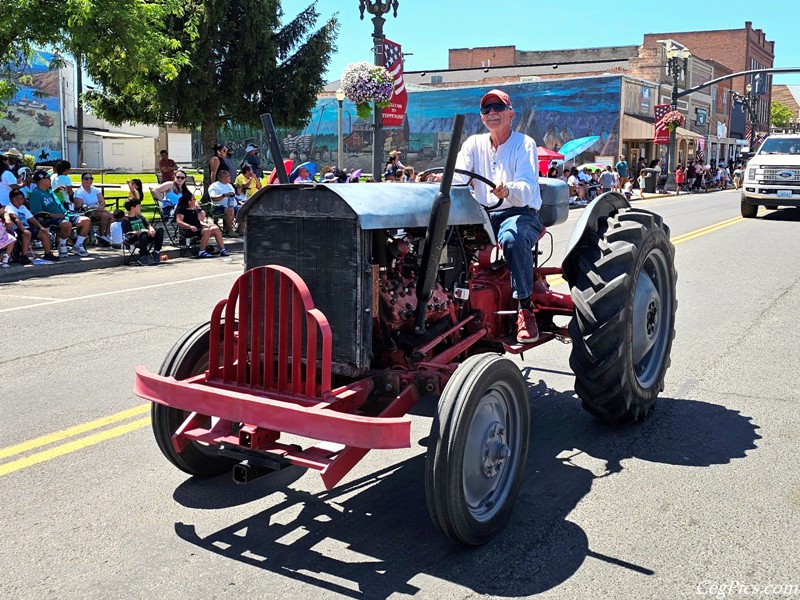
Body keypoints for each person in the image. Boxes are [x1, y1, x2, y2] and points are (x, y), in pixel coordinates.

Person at [455, 88, 542, 344]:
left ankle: (525, 308)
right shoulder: (473, 143)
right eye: (486, 109)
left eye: (498, 108)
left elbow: (526, 188)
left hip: (519, 211)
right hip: (482, 214)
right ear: (482, 117)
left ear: (510, 114)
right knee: (443, 237)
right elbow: (459, 177)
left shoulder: (524, 143)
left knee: (513, 238)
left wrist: (508, 190)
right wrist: (441, 179)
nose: (492, 113)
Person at [28, 170, 91, 257]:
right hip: (51, 218)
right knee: (67, 224)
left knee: (86, 220)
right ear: (41, 181)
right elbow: (37, 213)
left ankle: (78, 245)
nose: (50, 180)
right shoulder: (36, 194)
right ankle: (62, 245)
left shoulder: (49, 191)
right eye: (48, 178)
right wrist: (54, 215)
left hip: (64, 215)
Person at [5, 189, 58, 263]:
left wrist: (41, 227)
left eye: (21, 199)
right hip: (16, 230)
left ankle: (48, 254)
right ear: (11, 199)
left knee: (43, 232)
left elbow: (31, 218)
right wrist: (24, 230)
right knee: (27, 234)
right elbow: (15, 219)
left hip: (27, 228)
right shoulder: (9, 207)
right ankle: (24, 256)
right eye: (16, 199)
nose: (19, 201)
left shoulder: (23, 207)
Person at [174, 194, 230, 258]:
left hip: (198, 228)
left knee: (215, 228)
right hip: (188, 229)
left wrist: (206, 224)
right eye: (193, 200)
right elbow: (179, 221)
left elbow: (197, 221)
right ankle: (201, 251)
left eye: (195, 199)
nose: (195, 201)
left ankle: (223, 249)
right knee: (206, 231)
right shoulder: (181, 210)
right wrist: (190, 226)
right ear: (188, 201)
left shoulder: (193, 209)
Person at [121, 198, 164, 266]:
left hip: (146, 236)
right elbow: (128, 233)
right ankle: (143, 256)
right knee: (143, 233)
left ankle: (156, 252)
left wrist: (151, 229)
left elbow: (148, 225)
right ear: (132, 208)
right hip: (134, 238)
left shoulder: (139, 216)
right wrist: (142, 231)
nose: (140, 207)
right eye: (139, 206)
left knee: (160, 230)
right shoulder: (125, 220)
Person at [74, 172, 112, 245]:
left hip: (98, 210)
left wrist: (100, 207)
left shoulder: (95, 189)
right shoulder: (79, 192)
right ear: (82, 180)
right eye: (86, 179)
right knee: (104, 215)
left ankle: (106, 234)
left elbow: (102, 201)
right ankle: (101, 236)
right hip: (87, 212)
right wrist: (91, 208)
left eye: (91, 178)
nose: (89, 180)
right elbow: (79, 206)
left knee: (113, 216)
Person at [207, 170, 239, 236]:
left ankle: (240, 230)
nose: (230, 177)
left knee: (244, 209)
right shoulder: (215, 186)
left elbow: (234, 196)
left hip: (233, 206)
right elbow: (213, 197)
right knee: (230, 209)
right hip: (219, 207)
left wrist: (240, 202)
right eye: (229, 176)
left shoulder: (229, 185)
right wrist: (224, 195)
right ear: (223, 177)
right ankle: (230, 231)